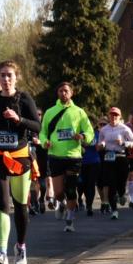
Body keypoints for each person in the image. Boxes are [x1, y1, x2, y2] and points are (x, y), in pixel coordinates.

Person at [0, 61, 41, 264]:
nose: (5, 79)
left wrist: (18, 119)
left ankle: (20, 247)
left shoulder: (24, 99)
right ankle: (2, 252)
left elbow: (37, 126)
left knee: (21, 203)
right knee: (2, 203)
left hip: (20, 155)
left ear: (16, 77)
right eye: (2, 75)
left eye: (9, 75)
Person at [39, 82, 94, 233]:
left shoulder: (79, 112)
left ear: (71, 93)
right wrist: (45, 142)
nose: (63, 93)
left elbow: (90, 132)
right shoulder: (50, 112)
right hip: (55, 155)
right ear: (57, 93)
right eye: (61, 90)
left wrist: (82, 136)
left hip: (73, 156)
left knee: (71, 189)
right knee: (58, 192)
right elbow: (42, 132)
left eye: (66, 91)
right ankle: (61, 203)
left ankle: (70, 219)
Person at [97, 107, 133, 219]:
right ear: (109, 116)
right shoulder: (104, 130)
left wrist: (124, 142)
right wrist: (101, 145)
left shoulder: (125, 129)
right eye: (112, 115)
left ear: (119, 117)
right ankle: (114, 210)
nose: (114, 117)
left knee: (121, 183)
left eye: (116, 115)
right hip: (109, 158)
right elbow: (99, 144)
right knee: (111, 184)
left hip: (121, 157)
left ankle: (121, 194)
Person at [77, 119, 104, 216]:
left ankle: (89, 206)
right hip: (81, 162)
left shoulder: (97, 133)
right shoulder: (79, 133)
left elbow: (100, 146)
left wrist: (99, 145)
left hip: (94, 162)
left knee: (91, 184)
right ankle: (79, 198)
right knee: (81, 184)